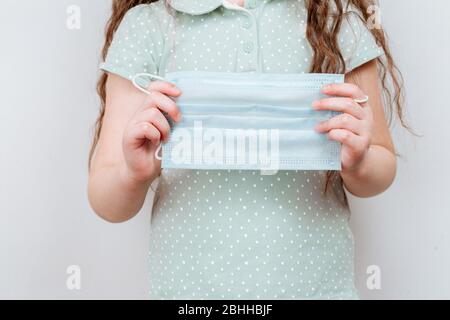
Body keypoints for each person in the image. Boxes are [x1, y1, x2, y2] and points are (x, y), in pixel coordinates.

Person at [88, 0, 407, 299]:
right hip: (190, 293)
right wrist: (134, 173)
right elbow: (106, 200)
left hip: (318, 288)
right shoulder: (149, 26)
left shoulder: (337, 21)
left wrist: (359, 161)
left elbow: (381, 164)